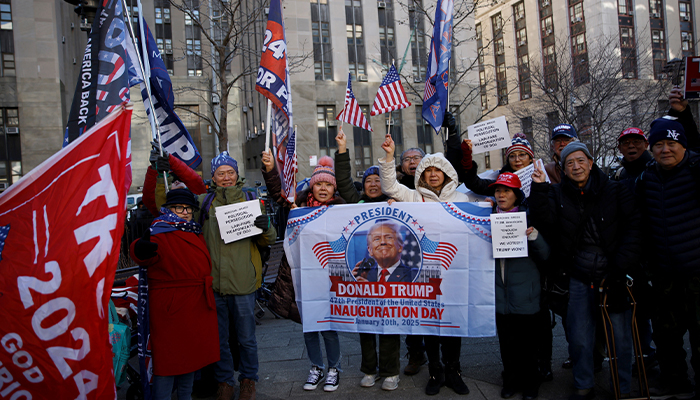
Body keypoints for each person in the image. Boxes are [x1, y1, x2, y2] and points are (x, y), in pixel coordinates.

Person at [530, 142, 641, 400]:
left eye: (580, 161)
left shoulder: (617, 190)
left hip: (613, 275)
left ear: (591, 163)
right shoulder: (556, 194)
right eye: (570, 163)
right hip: (578, 277)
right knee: (579, 337)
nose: (576, 166)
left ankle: (622, 387)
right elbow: (542, 219)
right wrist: (538, 187)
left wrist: (619, 268)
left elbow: (634, 229)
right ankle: (583, 383)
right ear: (563, 168)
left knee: (620, 338)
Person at [379, 133, 474, 395]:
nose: (433, 175)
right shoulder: (413, 198)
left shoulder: (463, 200)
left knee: (452, 322)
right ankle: (435, 371)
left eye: (438, 170)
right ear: (421, 174)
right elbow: (389, 185)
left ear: (446, 174)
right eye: (428, 171)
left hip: (454, 272)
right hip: (423, 274)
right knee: (429, 323)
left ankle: (454, 371)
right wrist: (389, 157)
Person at [195, 152, 276, 400]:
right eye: (221, 173)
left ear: (236, 173)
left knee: (246, 339)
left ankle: (248, 380)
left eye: (230, 172)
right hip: (215, 284)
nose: (227, 177)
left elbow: (269, 239)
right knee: (219, 340)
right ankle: (224, 383)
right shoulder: (204, 202)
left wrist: (266, 226)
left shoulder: (250, 198)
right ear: (213, 177)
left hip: (243, 282)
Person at [130, 188, 220, 400]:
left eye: (189, 208)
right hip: (172, 308)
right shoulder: (159, 229)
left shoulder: (192, 230)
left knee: (190, 360)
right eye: (179, 207)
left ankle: (185, 397)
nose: (185, 212)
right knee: (168, 363)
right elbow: (142, 253)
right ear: (168, 209)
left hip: (194, 304)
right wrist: (139, 249)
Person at [635, 117, 700, 398]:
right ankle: (675, 381)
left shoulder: (697, 170)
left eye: (671, 143)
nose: (665, 150)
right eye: (659, 144)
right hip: (663, 274)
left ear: (683, 145)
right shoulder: (646, 178)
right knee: (665, 335)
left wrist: (684, 112)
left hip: (697, 272)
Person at [489, 173, 550, 400]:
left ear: (516, 195)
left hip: (525, 294)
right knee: (507, 344)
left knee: (528, 345)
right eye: (497, 190)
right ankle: (511, 381)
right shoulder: (487, 218)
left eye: (506, 190)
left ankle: (531, 384)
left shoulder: (529, 217)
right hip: (499, 295)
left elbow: (545, 255)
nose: (501, 195)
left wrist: (534, 236)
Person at [289, 155, 347, 392]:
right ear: (312, 186)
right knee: (310, 325)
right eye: (319, 184)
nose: (323, 188)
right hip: (306, 276)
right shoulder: (298, 209)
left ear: (334, 187)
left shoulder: (343, 209)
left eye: (328, 184)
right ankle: (316, 366)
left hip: (332, 277)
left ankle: (334, 368)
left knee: (329, 325)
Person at [142, 144, 206, 217]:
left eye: (180, 180)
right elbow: (150, 197)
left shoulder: (198, 201)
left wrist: (169, 159)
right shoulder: (161, 207)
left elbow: (195, 180)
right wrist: (154, 169)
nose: (177, 181)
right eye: (172, 180)